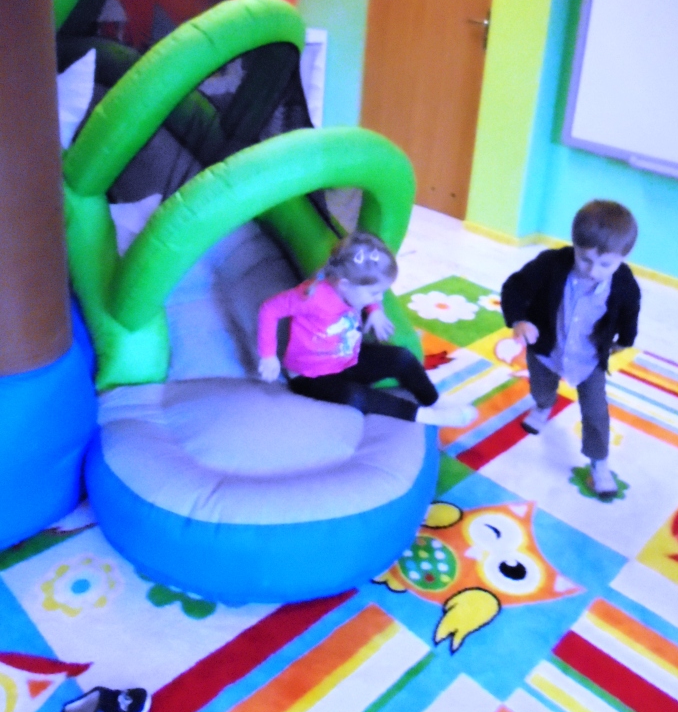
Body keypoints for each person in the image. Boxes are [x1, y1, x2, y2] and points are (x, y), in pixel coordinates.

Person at [257, 230, 476, 427]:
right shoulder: (311, 297)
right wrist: (268, 356)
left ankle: (434, 400)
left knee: (401, 357)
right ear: (344, 284)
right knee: (356, 396)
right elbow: (269, 309)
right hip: (310, 376)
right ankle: (427, 416)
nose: (379, 297)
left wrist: (375, 309)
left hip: (347, 359)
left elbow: (368, 294)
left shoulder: (352, 287)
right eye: (374, 294)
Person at [500, 200, 641, 499]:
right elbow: (515, 287)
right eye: (585, 259)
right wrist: (519, 320)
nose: (593, 271)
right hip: (546, 350)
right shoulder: (551, 264)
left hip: (589, 360)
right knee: (541, 387)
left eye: (606, 265)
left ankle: (599, 462)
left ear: (622, 257)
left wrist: (625, 340)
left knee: (596, 412)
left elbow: (630, 312)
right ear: (575, 245)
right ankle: (543, 406)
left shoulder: (625, 284)